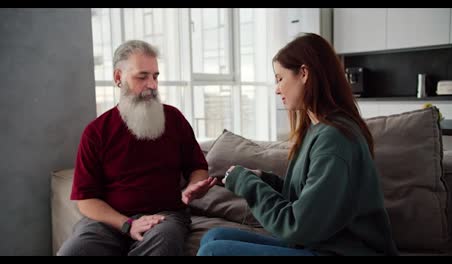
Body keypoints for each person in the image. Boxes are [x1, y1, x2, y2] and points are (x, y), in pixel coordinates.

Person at [197, 33, 399, 256]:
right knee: (213, 236)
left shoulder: (335, 139)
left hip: (342, 251)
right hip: (321, 243)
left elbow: (297, 225)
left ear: (303, 73)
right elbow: (311, 198)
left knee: (215, 252)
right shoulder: (317, 130)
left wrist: (249, 185)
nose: (276, 89)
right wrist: (264, 179)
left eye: (280, 78)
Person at [58, 40, 217, 256]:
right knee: (73, 252)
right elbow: (86, 201)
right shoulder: (96, 131)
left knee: (164, 242)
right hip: (111, 221)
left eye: (155, 76)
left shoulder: (175, 119)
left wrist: (194, 186)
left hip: (165, 216)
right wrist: (127, 224)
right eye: (142, 76)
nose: (152, 85)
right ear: (118, 78)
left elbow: (197, 167)